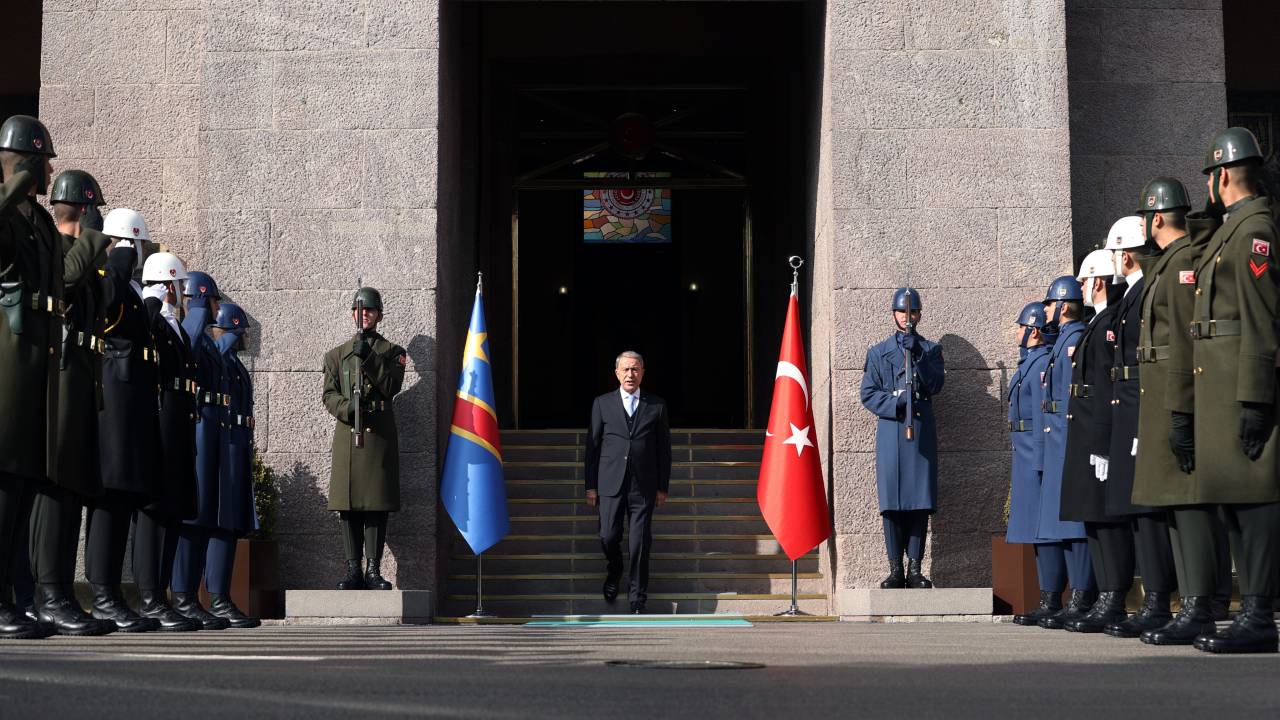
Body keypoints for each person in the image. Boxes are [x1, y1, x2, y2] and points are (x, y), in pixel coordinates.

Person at [1185, 127, 1280, 654]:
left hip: (1240, 384)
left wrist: (1255, 396)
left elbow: (1261, 320)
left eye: (1211, 179)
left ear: (1221, 175)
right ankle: (1252, 614)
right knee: (1236, 503)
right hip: (1220, 383)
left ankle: (1260, 614)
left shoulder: (1254, 231)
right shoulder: (1232, 228)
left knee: (1256, 501)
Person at [1131, 177, 1235, 646]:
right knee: (1174, 502)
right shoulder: (1168, 262)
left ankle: (1197, 605)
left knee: (1188, 502)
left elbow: (1182, 342)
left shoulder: (1180, 264)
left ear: (1156, 218)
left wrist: (1181, 410)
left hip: (1174, 394)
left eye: (1144, 217)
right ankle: (1188, 604)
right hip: (1161, 393)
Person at [29, 169, 113, 636]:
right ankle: (49, 595)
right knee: (55, 489)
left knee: (73, 489)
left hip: (81, 382)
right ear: (84, 209)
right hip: (58, 381)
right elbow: (67, 279)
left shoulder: (84, 254)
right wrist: (92, 238)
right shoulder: (56, 250)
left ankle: (61, 593)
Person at [0, 115, 65, 640]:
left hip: (37, 366)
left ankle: (14, 599)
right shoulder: (7, 213)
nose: (50, 173)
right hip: (9, 366)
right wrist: (12, 184)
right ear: (26, 163)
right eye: (43, 163)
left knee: (22, 488)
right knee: (5, 488)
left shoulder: (40, 221)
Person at [86, 208, 161, 633]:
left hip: (131, 403)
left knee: (122, 500)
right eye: (137, 245)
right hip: (111, 401)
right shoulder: (107, 275)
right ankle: (101, 595)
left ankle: (112, 593)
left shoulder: (131, 287)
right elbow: (106, 307)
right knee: (109, 500)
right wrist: (116, 258)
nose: (140, 253)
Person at [1057, 248, 1127, 633]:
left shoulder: (1107, 323)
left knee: (1105, 518)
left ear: (1098, 281)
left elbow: (1106, 386)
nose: (1082, 287)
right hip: (1085, 428)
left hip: (1097, 429)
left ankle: (1113, 596)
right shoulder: (1096, 323)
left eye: (1085, 280)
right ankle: (1104, 596)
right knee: (1092, 517)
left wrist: (1102, 440)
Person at [858, 288, 945, 589]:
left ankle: (915, 568)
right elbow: (868, 393)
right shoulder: (878, 352)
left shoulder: (931, 349)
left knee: (920, 502)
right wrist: (896, 402)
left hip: (919, 430)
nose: (907, 317)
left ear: (919, 315)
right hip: (892, 430)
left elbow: (936, 384)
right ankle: (895, 568)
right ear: (893, 314)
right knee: (892, 503)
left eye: (912, 312)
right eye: (902, 312)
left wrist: (918, 354)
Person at [323, 287, 407, 591]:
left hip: (377, 436)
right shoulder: (336, 356)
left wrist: (369, 357)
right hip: (349, 435)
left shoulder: (393, 352)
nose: (364, 315)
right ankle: (352, 569)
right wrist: (348, 408)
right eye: (359, 310)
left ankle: (373, 569)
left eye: (370, 310)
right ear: (352, 315)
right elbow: (329, 394)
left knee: (375, 503)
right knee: (347, 505)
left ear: (379, 315)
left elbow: (391, 386)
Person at [134, 252, 200, 631]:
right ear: (168, 285)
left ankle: (161, 593)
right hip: (161, 422)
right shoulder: (154, 321)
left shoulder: (174, 326)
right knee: (155, 511)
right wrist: (152, 303)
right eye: (178, 286)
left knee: (173, 510)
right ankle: (149, 597)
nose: (181, 293)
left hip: (178, 423)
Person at [585, 351, 672, 614]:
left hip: (643, 485)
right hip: (610, 482)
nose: (630, 374)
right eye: (625, 369)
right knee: (608, 535)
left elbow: (664, 449)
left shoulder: (656, 405)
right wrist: (590, 485)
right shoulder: (602, 403)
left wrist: (662, 486)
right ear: (616, 373)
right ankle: (615, 570)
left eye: (635, 369)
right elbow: (592, 447)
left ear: (642, 372)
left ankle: (637, 598)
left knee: (639, 543)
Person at [1033, 276, 1096, 629]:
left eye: (1049, 304)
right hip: (1057, 437)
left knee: (1074, 523)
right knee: (1064, 522)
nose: (1046, 311)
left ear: (1062, 304)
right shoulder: (1063, 340)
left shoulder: (1074, 339)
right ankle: (1075, 596)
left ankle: (1082, 595)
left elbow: (1073, 397)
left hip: (1067, 437)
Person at [170, 271, 230, 630]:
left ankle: (191, 596)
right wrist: (195, 313)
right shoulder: (191, 330)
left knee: (204, 512)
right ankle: (182, 595)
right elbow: (186, 350)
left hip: (211, 429)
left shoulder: (207, 340)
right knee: (192, 515)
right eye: (213, 301)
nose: (217, 308)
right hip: (198, 428)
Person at [202, 302, 260, 628]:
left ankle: (222, 595)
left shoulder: (235, 364)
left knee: (234, 522)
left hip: (238, 443)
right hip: (226, 443)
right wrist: (224, 339)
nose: (245, 338)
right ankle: (218, 598)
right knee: (222, 522)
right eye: (241, 332)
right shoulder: (219, 357)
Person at [1005, 302, 1058, 626]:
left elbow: (1041, 415)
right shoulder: (1030, 362)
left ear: (1034, 331)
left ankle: (1051, 598)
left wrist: (1040, 459)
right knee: (1035, 530)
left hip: (1032, 452)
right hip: (1023, 451)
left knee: (1043, 530)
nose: (1017, 332)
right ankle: (1045, 597)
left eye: (1021, 327)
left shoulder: (1040, 364)